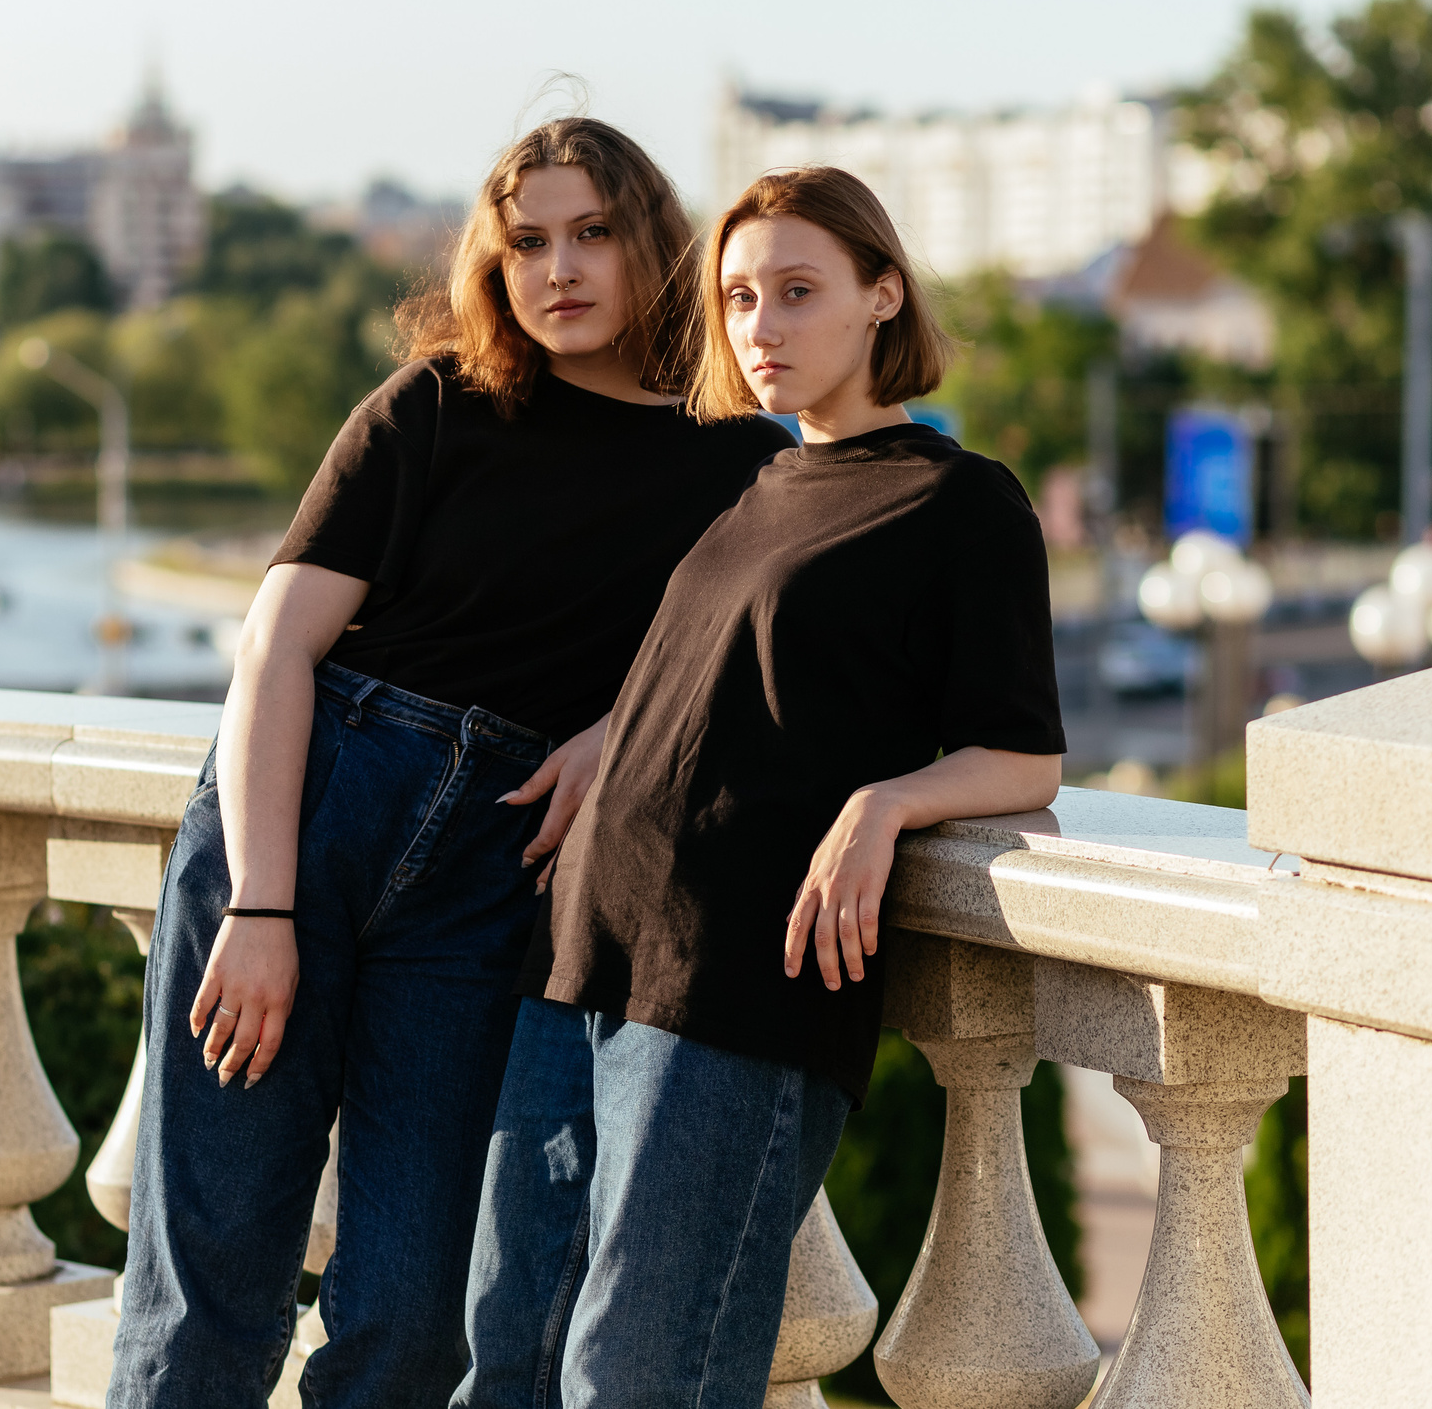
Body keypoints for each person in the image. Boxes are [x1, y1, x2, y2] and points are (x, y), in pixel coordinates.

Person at [109, 119, 795, 1409]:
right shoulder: (434, 404)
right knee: (207, 1281)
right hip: (309, 810)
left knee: (415, 1316)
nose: (559, 269)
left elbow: (738, 673)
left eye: (593, 233)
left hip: (495, 870)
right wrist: (259, 906)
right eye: (527, 242)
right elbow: (275, 650)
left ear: (655, 244)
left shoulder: (742, 461)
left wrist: (616, 737)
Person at [454, 166, 1067, 1409]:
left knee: (637, 1379)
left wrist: (884, 806)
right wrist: (611, 735)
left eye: (796, 292)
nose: (760, 327)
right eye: (738, 298)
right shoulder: (761, 482)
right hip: (582, 954)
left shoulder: (957, 499)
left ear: (881, 294)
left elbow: (1022, 755)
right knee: (508, 1362)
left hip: (736, 986)